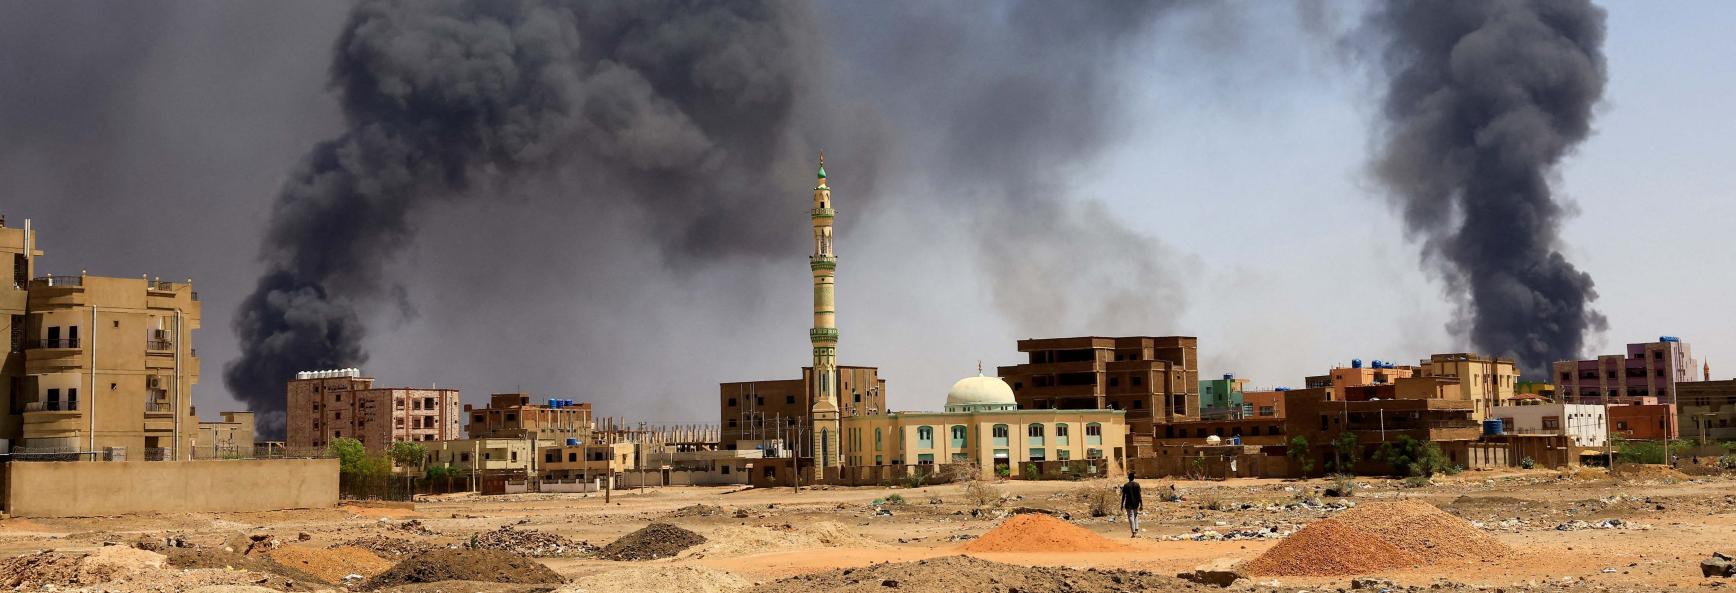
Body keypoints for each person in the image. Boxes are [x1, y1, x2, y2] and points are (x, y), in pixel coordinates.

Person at [1120, 472, 1143, 537]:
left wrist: (1121, 504)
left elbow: (1123, 496)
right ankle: (1136, 529)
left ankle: (1133, 532)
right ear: (1134, 477)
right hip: (1136, 503)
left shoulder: (1126, 485)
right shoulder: (1137, 485)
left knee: (1130, 516)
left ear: (1128, 477)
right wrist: (1141, 504)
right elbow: (1139, 495)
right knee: (1135, 516)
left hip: (1128, 504)